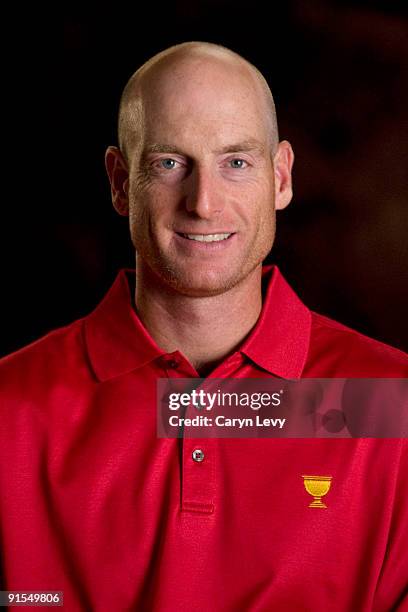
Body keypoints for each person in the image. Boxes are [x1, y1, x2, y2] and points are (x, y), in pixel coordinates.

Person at [0, 41, 407, 611]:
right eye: (169, 163)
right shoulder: (8, 406)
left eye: (235, 162)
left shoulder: (391, 400)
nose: (204, 203)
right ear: (120, 183)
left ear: (282, 178)